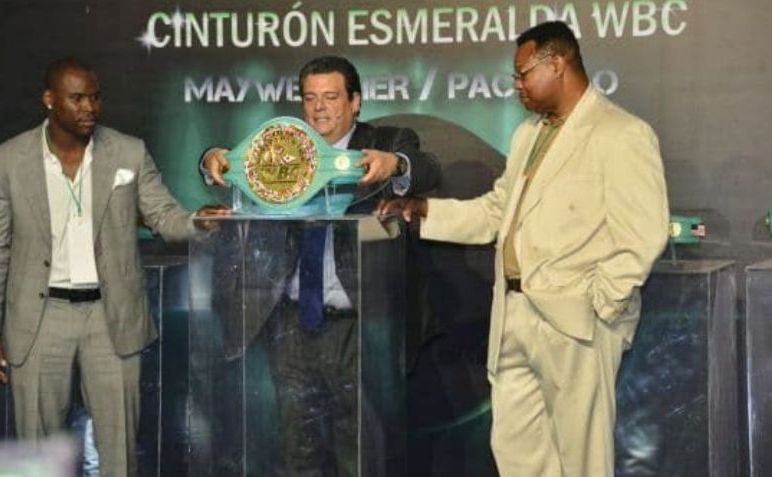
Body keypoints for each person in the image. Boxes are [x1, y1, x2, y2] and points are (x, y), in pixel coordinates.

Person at [380, 21, 669, 477]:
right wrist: (425, 209)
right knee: (515, 452)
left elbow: (644, 234)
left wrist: (599, 305)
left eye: (523, 74)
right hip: (513, 316)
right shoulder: (527, 134)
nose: (516, 85)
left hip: (577, 322)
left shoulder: (621, 133)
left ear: (558, 64)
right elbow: (498, 211)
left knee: (583, 461)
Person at [199, 55, 441, 475]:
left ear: (355, 102)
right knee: (298, 451)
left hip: (359, 326)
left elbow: (426, 170)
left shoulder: (386, 142)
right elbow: (222, 162)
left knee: (360, 451)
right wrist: (211, 159)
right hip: (291, 326)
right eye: (310, 98)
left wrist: (395, 165)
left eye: (330, 97)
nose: (319, 108)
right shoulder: (284, 149)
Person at [0, 57, 199, 477]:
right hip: (40, 318)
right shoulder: (5, 161)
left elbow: (165, 216)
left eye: (95, 97)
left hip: (111, 317)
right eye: (77, 98)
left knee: (120, 455)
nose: (89, 107)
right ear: (49, 99)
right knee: (37, 456)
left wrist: (200, 222)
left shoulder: (128, 152)